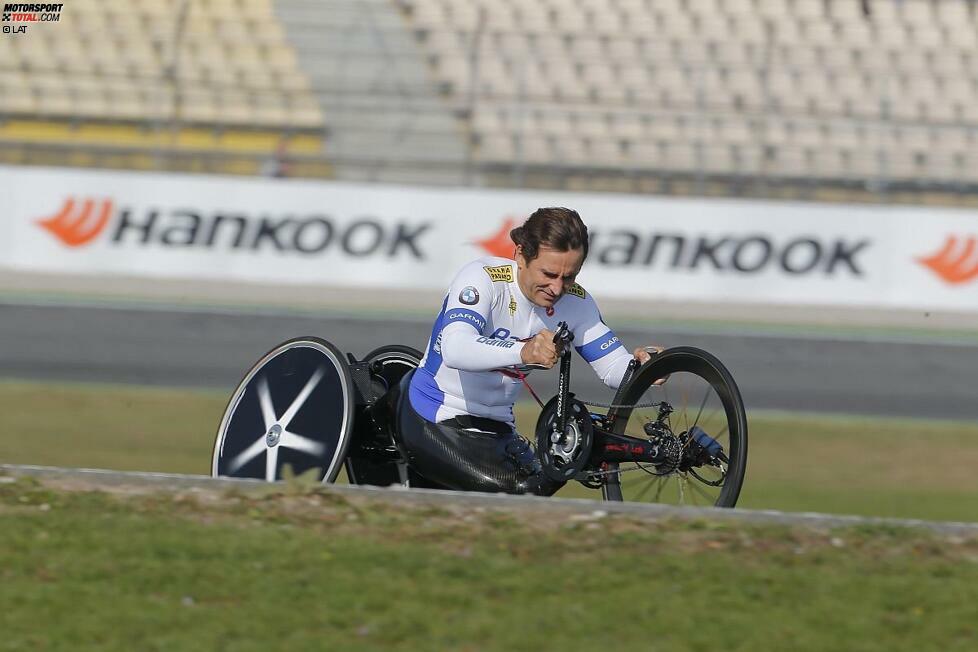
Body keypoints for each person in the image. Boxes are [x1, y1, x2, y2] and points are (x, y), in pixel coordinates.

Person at [391, 207, 660, 495]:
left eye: (569, 277)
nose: (557, 288)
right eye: (548, 273)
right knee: (518, 494)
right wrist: (524, 351)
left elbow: (613, 369)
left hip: (499, 428)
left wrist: (644, 366)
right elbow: (455, 348)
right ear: (520, 255)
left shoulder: (578, 303)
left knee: (545, 486)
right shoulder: (483, 279)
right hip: (433, 416)